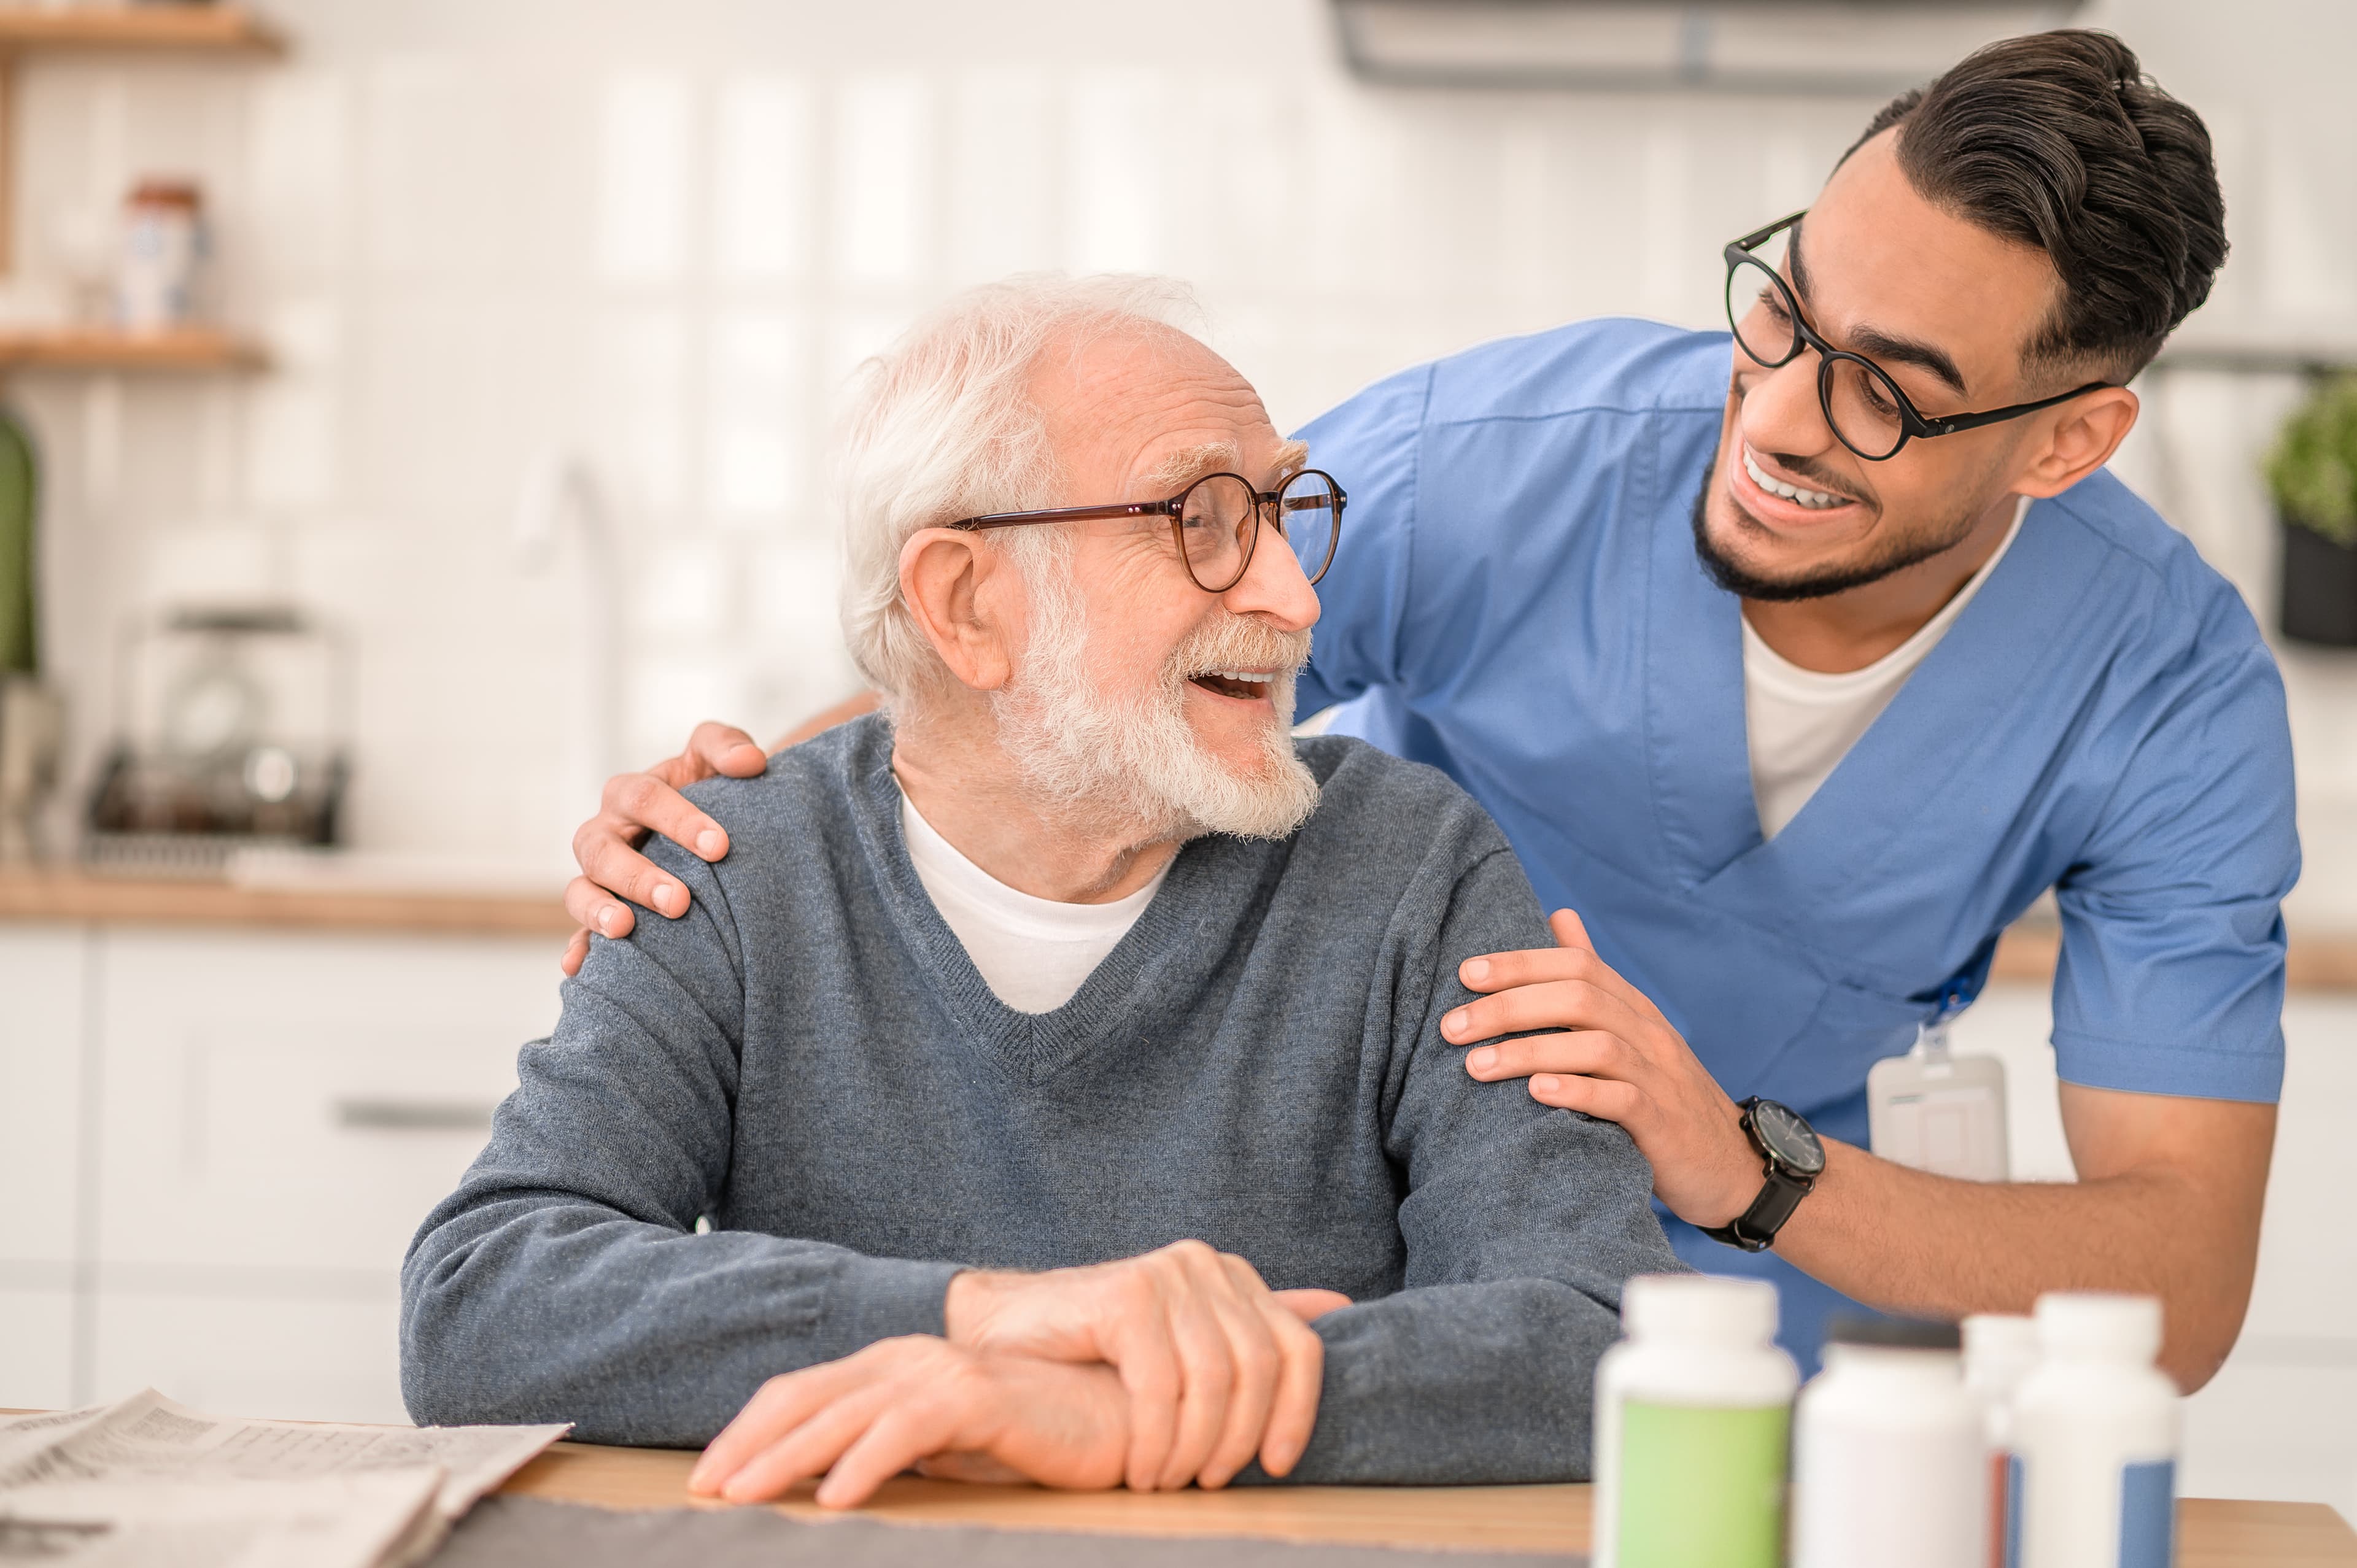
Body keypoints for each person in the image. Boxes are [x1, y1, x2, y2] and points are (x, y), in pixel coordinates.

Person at [560, 31, 2294, 1390]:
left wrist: (1747, 1168)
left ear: (2065, 443)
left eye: (1886, 397)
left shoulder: (2166, 690)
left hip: (1756, 1301)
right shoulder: (1504, 470)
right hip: (1357, 1259)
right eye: (1781, 304)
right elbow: (1084, 629)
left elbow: (2183, 1279)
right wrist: (739, 818)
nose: (1770, 411)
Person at [401, 276, 1681, 1505]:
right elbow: (482, 1300)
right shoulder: (735, 874)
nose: (1294, 597)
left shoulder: (1410, 863)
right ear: (967, 604)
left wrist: (1117, 1415)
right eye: (1202, 521)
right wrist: (984, 1317)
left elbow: (1599, 1337)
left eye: (1286, 515)